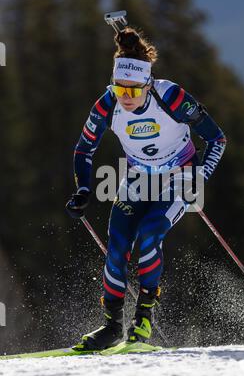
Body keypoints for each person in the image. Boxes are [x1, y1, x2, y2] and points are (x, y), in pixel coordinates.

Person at [66, 27, 227, 350]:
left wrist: (201, 176)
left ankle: (143, 317)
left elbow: (216, 139)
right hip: (138, 177)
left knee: (151, 234)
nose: (126, 98)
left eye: (134, 91)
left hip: (179, 174)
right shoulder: (107, 104)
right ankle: (112, 326)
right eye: (120, 89)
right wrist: (83, 189)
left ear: (148, 84)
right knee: (118, 245)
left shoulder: (170, 97)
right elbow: (84, 150)